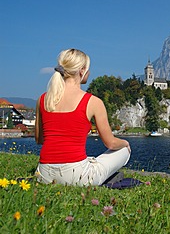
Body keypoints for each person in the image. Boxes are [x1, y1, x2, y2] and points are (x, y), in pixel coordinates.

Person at [35, 48, 131, 186]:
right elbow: (111, 143)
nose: (89, 72)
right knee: (123, 150)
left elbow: (40, 139)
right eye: (88, 69)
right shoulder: (93, 102)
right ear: (82, 71)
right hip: (76, 176)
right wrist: (126, 143)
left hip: (43, 174)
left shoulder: (43, 99)